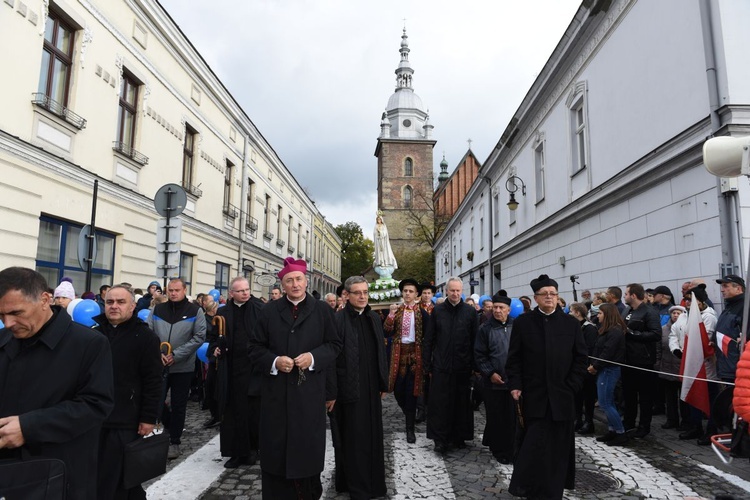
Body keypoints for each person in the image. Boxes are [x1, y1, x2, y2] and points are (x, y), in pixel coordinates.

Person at [0, 267, 114, 500]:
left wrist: (29, 427)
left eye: (16, 312)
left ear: (44, 299)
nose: (8, 323)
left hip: (59, 477)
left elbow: (96, 405)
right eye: (1, 315)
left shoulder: (89, 344)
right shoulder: (4, 340)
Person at [248, 257, 342, 499]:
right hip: (275, 394)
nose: (295, 285)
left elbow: (334, 345)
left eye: (299, 279)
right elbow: (254, 348)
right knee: (275, 451)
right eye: (289, 281)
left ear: (306, 280)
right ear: (283, 284)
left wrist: (313, 358)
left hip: (309, 394)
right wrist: (274, 361)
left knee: (307, 451)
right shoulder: (268, 311)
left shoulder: (322, 310)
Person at [506, 274, 587, 499]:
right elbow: (514, 359)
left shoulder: (570, 323)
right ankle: (529, 489)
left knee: (558, 449)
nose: (549, 297)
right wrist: (515, 385)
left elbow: (581, 358)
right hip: (534, 396)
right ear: (536, 298)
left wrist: (572, 385)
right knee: (533, 446)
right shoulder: (523, 323)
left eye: (553, 294)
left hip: (562, 396)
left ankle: (553, 492)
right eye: (545, 294)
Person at [94, 285, 162, 500]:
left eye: (120, 302)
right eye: (110, 302)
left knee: (120, 478)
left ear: (133, 306)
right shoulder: (93, 336)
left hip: (125, 419)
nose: (114, 306)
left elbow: (153, 381)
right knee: (103, 476)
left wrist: (148, 417)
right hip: (95, 418)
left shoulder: (146, 337)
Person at [329, 276, 388, 499]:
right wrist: (331, 392)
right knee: (352, 439)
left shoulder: (373, 317)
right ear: (347, 295)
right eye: (357, 293)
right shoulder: (337, 320)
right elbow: (332, 360)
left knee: (372, 437)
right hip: (349, 390)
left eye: (365, 292)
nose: (363, 296)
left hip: (371, 388)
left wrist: (383, 381)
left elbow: (381, 353)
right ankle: (356, 487)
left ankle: (374, 484)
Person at [148, 278, 206, 459]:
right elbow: (149, 333)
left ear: (184, 290)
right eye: (170, 290)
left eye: (177, 290)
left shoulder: (195, 311)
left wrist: (177, 355)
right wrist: (158, 353)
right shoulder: (158, 309)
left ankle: (175, 440)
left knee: (179, 404)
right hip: (160, 365)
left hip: (183, 367)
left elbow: (199, 336)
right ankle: (167, 424)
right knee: (156, 400)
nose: (173, 293)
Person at [211, 277, 264, 468]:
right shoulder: (223, 312)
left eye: (247, 289)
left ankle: (252, 450)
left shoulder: (259, 309)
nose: (245, 293)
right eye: (240, 291)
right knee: (232, 413)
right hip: (230, 369)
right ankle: (234, 452)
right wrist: (215, 349)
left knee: (252, 412)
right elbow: (214, 338)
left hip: (253, 369)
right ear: (231, 293)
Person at [424, 277, 478, 454]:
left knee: (461, 403)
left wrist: (474, 365)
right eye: (452, 290)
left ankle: (459, 436)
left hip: (463, 366)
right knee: (440, 404)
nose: (455, 294)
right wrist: (427, 365)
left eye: (458, 291)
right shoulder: (437, 311)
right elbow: (429, 339)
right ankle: (440, 439)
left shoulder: (470, 313)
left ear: (462, 291)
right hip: (441, 365)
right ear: (446, 291)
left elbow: (474, 340)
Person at [383, 278, 429, 444]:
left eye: (411, 291)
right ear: (402, 293)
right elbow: (387, 331)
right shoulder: (397, 311)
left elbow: (428, 335)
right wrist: (390, 314)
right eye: (405, 291)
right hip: (398, 355)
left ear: (416, 294)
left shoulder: (422, 313)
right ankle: (408, 412)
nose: (408, 294)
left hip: (415, 356)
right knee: (397, 391)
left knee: (411, 392)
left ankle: (410, 428)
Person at [474, 291, 515, 463]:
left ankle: (512, 449)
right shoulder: (485, 328)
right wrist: (490, 373)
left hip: (512, 381)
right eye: (495, 307)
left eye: (501, 308)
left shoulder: (517, 326)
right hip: (493, 382)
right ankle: (499, 450)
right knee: (496, 417)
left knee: (512, 418)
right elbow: (480, 354)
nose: (498, 310)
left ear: (508, 309)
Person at [621, 283, 661, 438]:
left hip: (643, 360)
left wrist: (633, 334)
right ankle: (628, 423)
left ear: (633, 295)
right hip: (626, 359)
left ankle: (644, 426)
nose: (624, 296)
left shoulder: (649, 312)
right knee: (628, 394)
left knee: (645, 396)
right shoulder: (627, 310)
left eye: (626, 294)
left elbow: (656, 334)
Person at [588, 303, 628, 446]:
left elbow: (608, 352)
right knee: (608, 401)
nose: (597, 316)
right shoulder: (606, 330)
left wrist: (595, 366)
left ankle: (620, 432)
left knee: (605, 403)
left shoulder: (615, 331)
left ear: (607, 315)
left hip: (609, 369)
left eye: (599, 313)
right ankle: (612, 430)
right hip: (604, 368)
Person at [570, 302, 597, 435]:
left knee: (588, 396)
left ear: (577, 313)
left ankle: (589, 421)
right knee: (577, 395)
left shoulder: (589, 328)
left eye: (571, 311)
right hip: (576, 368)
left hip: (586, 368)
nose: (569, 313)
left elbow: (589, 348)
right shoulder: (573, 326)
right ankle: (577, 419)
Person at [660, 305, 688, 432]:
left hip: (681, 368)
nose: (676, 315)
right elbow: (658, 348)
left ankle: (685, 421)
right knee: (669, 397)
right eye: (674, 313)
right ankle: (671, 419)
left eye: (678, 313)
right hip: (667, 367)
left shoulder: (687, 328)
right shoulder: (664, 330)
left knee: (683, 398)